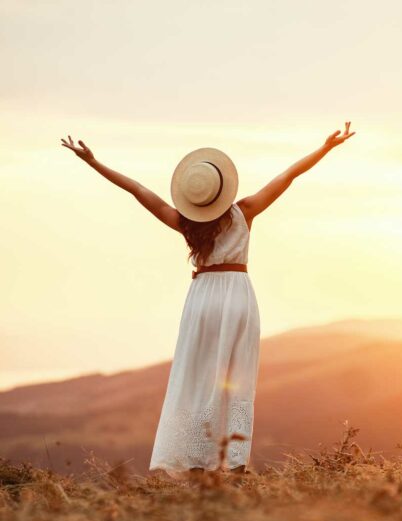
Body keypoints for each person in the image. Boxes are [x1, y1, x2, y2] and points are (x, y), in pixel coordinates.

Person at [60, 122, 356, 476]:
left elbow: (137, 190)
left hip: (201, 298)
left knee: (198, 376)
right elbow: (289, 175)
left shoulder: (185, 223)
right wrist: (325, 148)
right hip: (237, 294)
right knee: (237, 376)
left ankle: (196, 461)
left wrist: (93, 162)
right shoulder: (245, 211)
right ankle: (234, 463)